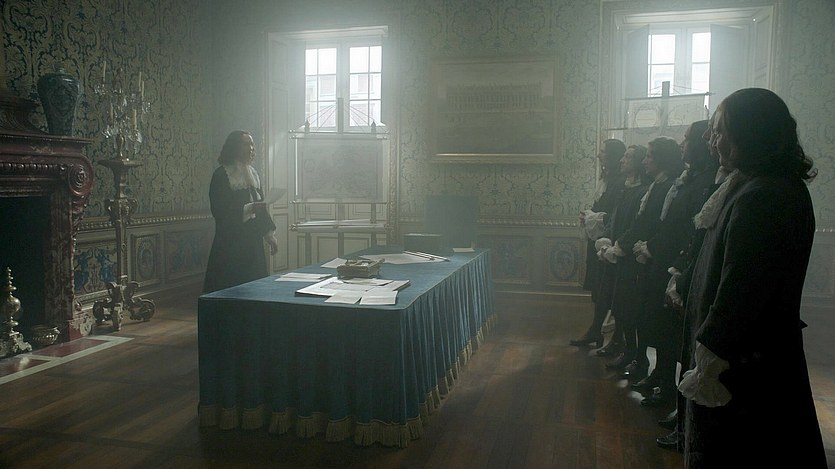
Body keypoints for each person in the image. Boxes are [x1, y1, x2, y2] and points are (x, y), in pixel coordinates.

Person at [677, 88, 826, 467]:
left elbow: (742, 288)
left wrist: (712, 349)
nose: (712, 140)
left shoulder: (767, 195)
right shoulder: (751, 184)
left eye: (719, 131)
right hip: (739, 357)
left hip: (743, 366)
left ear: (750, 132)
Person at [203, 130, 278, 293]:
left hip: (252, 242)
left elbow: (261, 207)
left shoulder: (253, 173)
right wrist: (249, 208)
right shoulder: (221, 175)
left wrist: (269, 236)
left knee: (255, 287)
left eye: (252, 144)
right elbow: (219, 210)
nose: (250, 148)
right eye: (246, 144)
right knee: (230, 287)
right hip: (230, 243)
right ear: (234, 146)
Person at [571, 139, 626, 348]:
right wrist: (588, 216)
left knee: (607, 291)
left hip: (610, 242)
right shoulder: (607, 179)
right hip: (599, 241)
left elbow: (614, 215)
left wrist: (593, 218)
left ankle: (608, 335)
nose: (599, 155)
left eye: (603, 152)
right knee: (598, 289)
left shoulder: (620, 182)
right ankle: (597, 331)